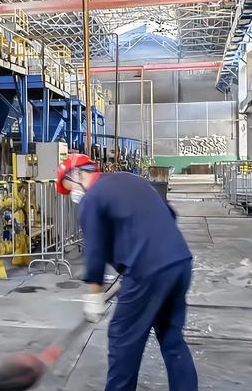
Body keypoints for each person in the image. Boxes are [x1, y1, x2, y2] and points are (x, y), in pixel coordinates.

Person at [56, 153, 198, 391]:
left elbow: (95, 251)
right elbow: (170, 215)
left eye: (70, 187)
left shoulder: (92, 198)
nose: (73, 195)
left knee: (123, 340)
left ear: (78, 174)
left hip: (146, 271)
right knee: (172, 339)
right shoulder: (130, 179)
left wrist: (94, 295)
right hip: (180, 262)